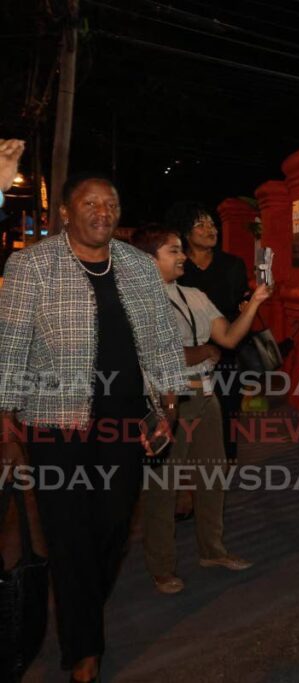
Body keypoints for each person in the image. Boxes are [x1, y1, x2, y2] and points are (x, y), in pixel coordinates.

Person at [0, 173, 186, 683]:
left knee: (110, 528)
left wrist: (168, 404)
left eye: (111, 203)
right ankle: (84, 650)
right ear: (65, 212)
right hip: (53, 423)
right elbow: (10, 343)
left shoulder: (138, 268)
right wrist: (4, 417)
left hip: (123, 422)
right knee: (68, 535)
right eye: (90, 202)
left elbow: (161, 340)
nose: (102, 211)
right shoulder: (32, 265)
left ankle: (79, 605)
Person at [131, 225, 270, 594]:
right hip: (164, 404)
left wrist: (255, 303)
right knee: (164, 488)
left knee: (213, 476)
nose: (182, 257)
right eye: (173, 251)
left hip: (205, 397)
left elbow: (226, 339)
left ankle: (213, 550)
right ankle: (161, 567)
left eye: (181, 250)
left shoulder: (194, 294)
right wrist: (201, 353)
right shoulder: (138, 302)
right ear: (149, 259)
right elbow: (155, 356)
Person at [166, 201, 250, 463]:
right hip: (188, 355)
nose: (210, 229)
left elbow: (239, 304)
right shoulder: (178, 269)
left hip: (225, 348)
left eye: (212, 224)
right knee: (187, 414)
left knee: (228, 408)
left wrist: (247, 306)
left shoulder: (232, 264)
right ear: (186, 234)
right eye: (200, 225)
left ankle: (226, 460)